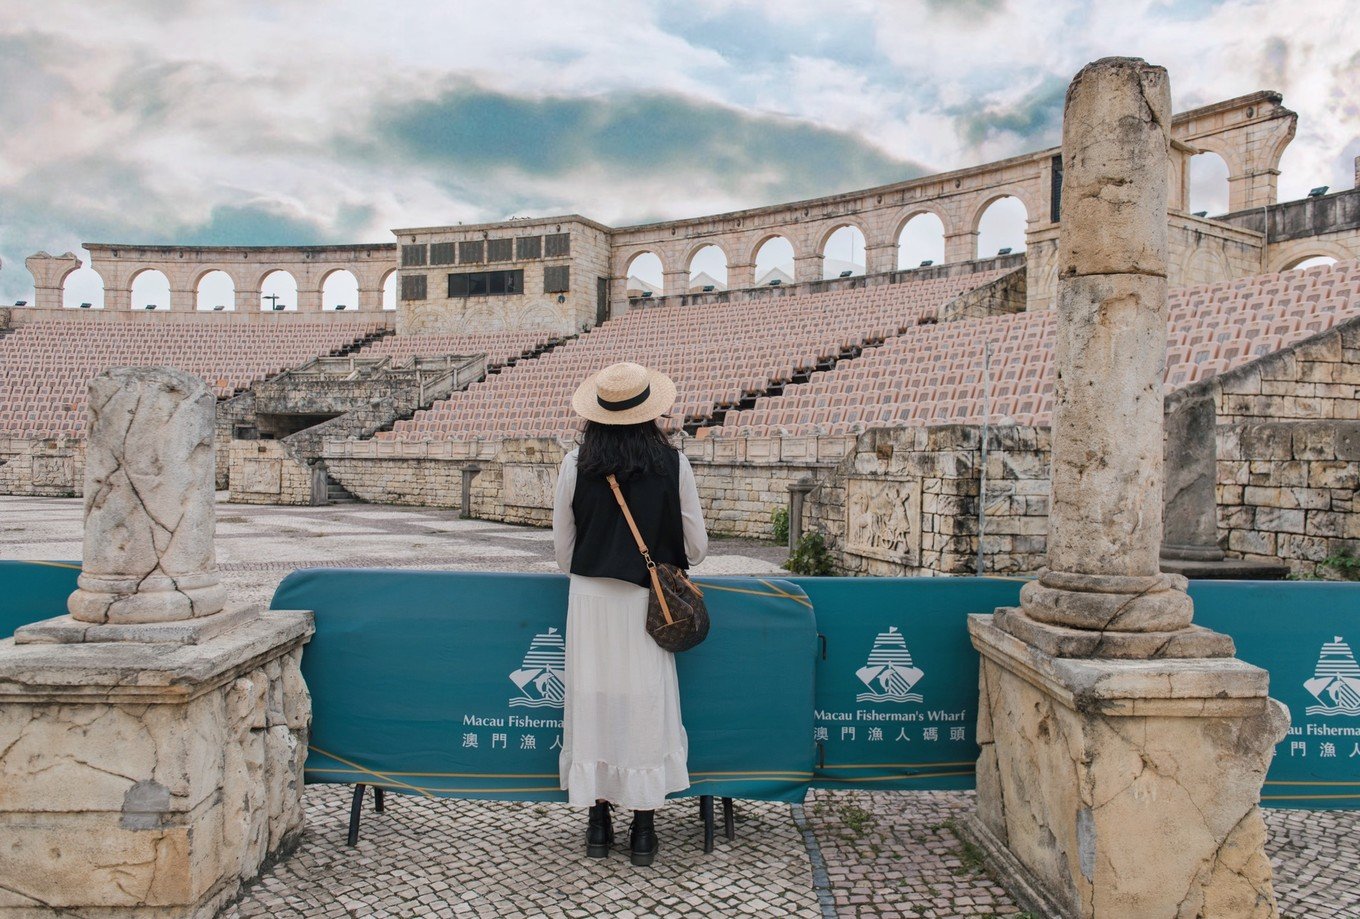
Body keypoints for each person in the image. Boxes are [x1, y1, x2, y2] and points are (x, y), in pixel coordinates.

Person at [552, 361, 709, 866]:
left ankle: (598, 822)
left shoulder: (575, 464)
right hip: (649, 604)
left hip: (591, 600)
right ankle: (644, 829)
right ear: (649, 412)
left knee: (592, 701)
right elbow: (697, 548)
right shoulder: (674, 464)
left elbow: (562, 551)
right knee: (645, 703)